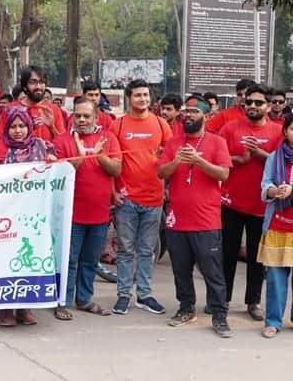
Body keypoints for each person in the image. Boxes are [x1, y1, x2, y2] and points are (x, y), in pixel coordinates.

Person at [157, 97, 233, 337]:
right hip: (177, 220)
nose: (187, 115)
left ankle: (219, 314)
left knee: (212, 271)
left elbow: (223, 173)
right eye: (185, 111)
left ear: (205, 116)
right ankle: (186, 308)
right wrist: (177, 160)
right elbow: (161, 172)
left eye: (193, 112)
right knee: (180, 270)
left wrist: (199, 160)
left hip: (206, 221)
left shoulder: (217, 142)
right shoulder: (173, 143)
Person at [53, 100, 121, 321]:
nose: (82, 120)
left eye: (86, 116)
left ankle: (84, 299)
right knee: (69, 260)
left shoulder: (108, 138)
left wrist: (100, 157)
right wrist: (80, 159)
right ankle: (63, 301)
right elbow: (58, 175)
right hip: (70, 215)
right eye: (78, 115)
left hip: (99, 214)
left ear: (96, 117)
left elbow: (117, 169)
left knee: (90, 260)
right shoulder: (62, 140)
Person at [218, 83, 282, 321]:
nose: (252, 106)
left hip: (262, 206)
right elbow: (219, 161)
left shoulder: (277, 132)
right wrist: (241, 158)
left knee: (257, 257)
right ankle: (221, 299)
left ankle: (253, 302)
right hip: (231, 203)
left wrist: (260, 155)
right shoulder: (230, 128)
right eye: (249, 101)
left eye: (258, 102)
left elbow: (282, 166)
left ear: (268, 106)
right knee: (227, 253)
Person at [109, 79, 172, 315]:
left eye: (146, 95)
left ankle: (144, 295)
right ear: (129, 98)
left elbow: (170, 154)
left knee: (146, 251)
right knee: (125, 250)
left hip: (154, 198)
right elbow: (111, 163)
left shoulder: (161, 123)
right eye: (137, 95)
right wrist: (113, 192)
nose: (143, 99)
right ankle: (123, 295)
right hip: (126, 199)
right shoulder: (118, 125)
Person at [0, 106, 56, 326]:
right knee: (7, 260)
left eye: (22, 126)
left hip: (35, 214)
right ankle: (5, 308)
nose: (18, 131)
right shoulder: (1, 149)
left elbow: (60, 166)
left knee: (28, 259)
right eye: (13, 127)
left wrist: (52, 161)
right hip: (8, 214)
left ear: (30, 126)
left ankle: (24, 307)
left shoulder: (42, 145)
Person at [258, 114, 293, 338]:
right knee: (275, 277)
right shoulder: (274, 156)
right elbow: (265, 183)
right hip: (277, 224)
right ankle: (273, 321)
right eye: (292, 129)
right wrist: (274, 191)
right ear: (285, 132)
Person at [0, 66, 65, 142]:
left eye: (42, 82)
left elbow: (62, 143)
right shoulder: (10, 109)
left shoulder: (53, 110)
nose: (38, 86)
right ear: (25, 87)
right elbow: (0, 139)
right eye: (33, 82)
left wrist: (52, 127)